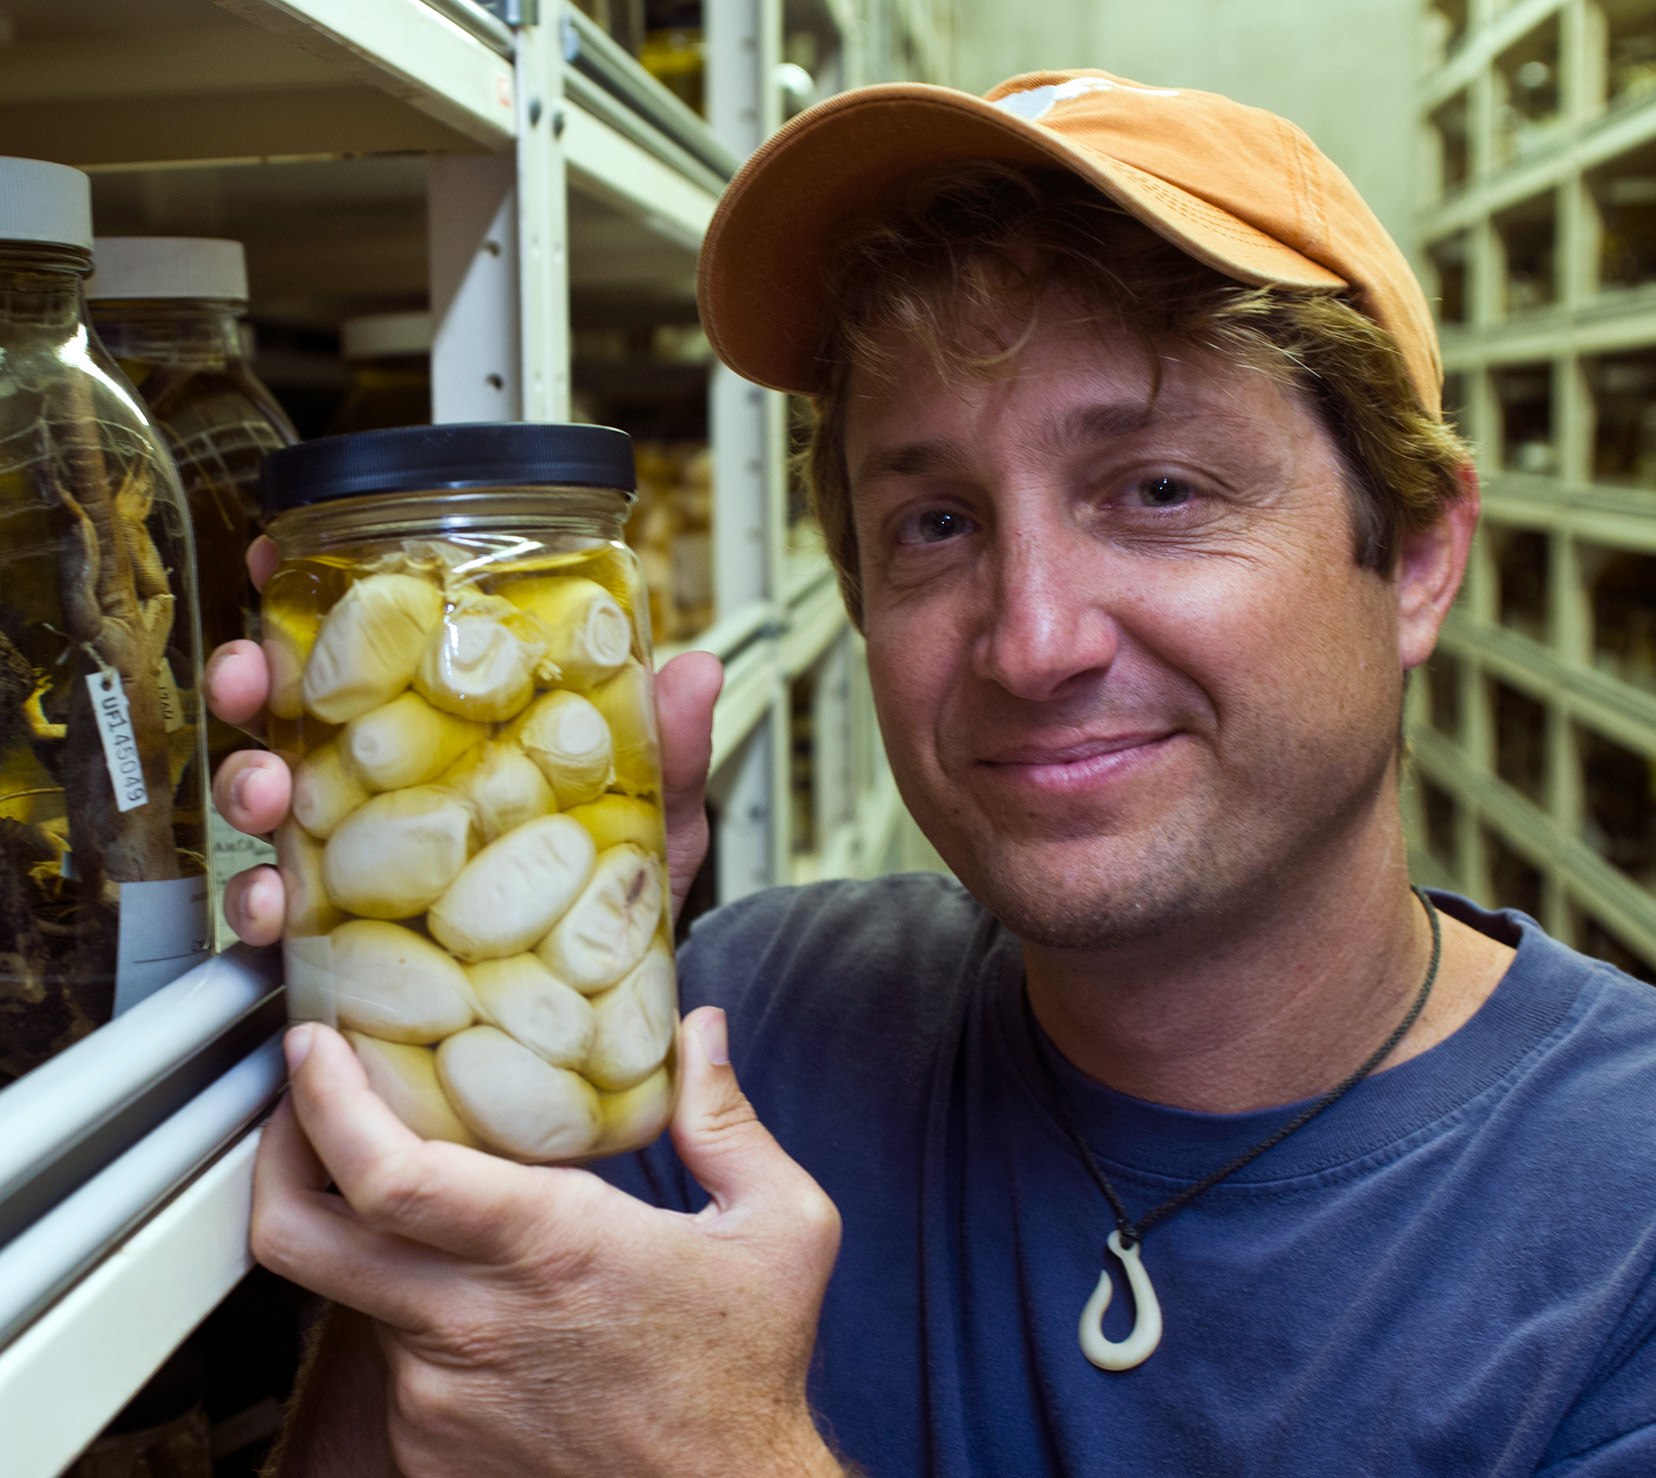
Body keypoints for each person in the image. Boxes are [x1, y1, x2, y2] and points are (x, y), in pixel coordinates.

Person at [201, 71, 1656, 1476]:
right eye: (937, 524)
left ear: (1413, 556)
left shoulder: (1619, 1229)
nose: (1033, 642)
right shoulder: (744, 1023)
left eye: (1159, 490)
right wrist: (464, 1046)